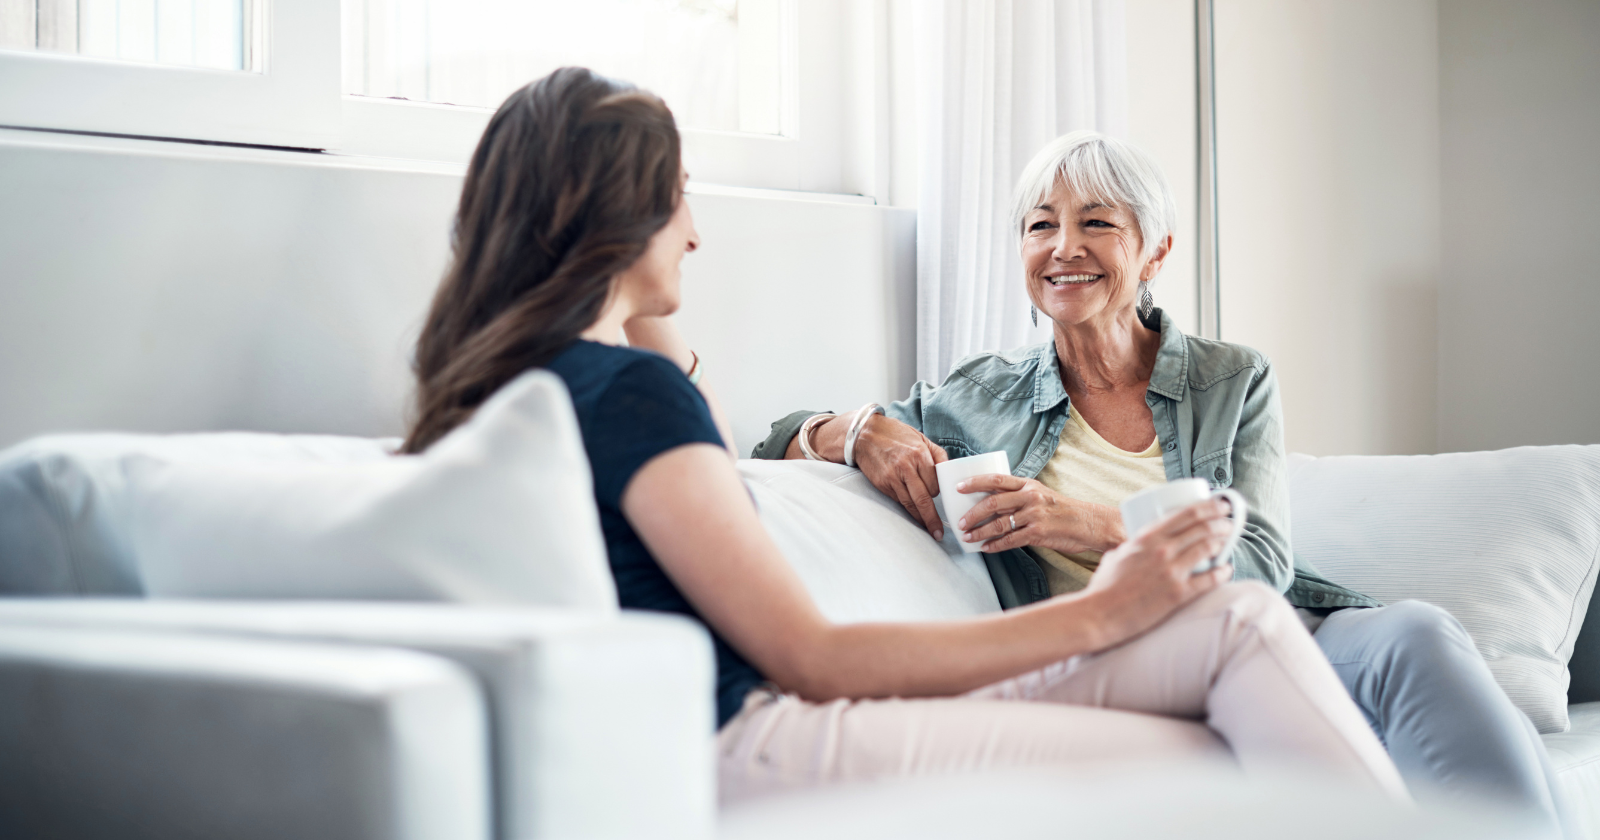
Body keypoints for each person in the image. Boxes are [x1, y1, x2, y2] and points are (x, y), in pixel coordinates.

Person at [402, 67, 1407, 805]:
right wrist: (1108, 612)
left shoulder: (510, 384)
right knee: (1219, 736)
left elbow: (680, 380)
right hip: (750, 739)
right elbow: (813, 657)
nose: (696, 231)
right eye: (678, 197)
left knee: (1243, 633)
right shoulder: (620, 397)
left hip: (731, 727)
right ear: (616, 220)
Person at [751, 130, 1567, 830]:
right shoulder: (978, 397)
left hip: (1269, 628)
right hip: (1109, 657)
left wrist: (1082, 523)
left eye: (1095, 223)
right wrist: (861, 431)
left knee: (1417, 633)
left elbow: (1259, 566)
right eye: (1040, 226)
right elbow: (778, 436)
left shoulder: (1230, 378)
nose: (1062, 247)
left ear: (1155, 251)